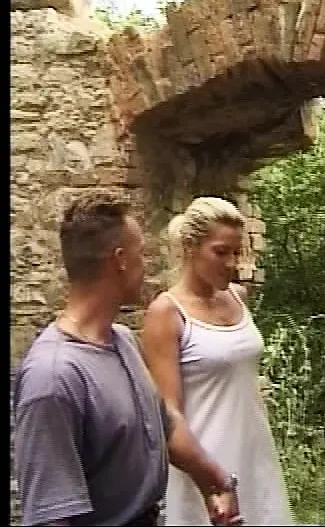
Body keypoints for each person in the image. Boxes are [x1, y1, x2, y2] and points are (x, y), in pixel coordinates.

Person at [13, 193, 242, 526]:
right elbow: (52, 517)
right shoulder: (53, 376)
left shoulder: (121, 340)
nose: (146, 268)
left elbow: (164, 424)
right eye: (141, 254)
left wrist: (216, 482)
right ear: (120, 260)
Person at [141, 196, 293, 526]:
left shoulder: (238, 297)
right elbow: (168, 416)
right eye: (221, 252)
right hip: (205, 470)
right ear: (190, 247)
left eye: (237, 252)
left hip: (255, 457)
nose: (232, 263)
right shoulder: (166, 313)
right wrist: (211, 481)